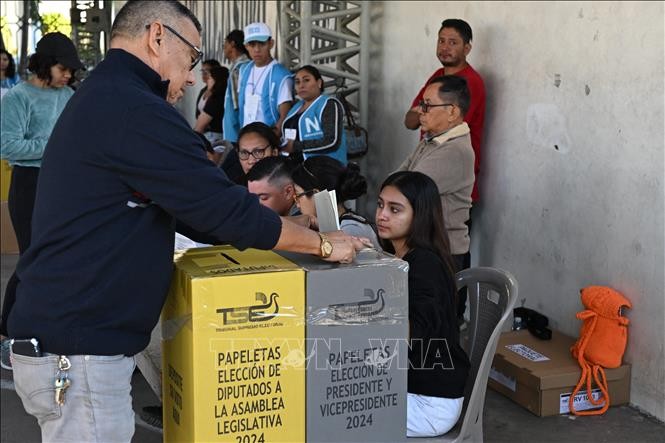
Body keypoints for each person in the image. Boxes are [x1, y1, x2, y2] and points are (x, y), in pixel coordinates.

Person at [6, 2, 366, 442]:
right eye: (192, 57)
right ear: (158, 37)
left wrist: (298, 232)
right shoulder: (132, 108)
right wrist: (324, 246)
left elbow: (195, 213)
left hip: (72, 339)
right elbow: (220, 208)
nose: (194, 75)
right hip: (79, 353)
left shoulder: (107, 96)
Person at [0, 32, 83, 371]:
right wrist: (55, 145)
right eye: (64, 69)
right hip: (29, 184)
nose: (68, 76)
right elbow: (8, 146)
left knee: (63, 257)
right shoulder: (18, 97)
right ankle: (9, 331)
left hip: (65, 184)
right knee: (33, 257)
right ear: (46, 64)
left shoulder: (69, 95)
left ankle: (48, 328)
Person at [375, 170, 470, 437]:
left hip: (429, 402)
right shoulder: (405, 259)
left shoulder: (424, 265)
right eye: (381, 204)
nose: (382, 215)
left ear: (420, 216)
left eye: (395, 210)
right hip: (411, 385)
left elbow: (412, 334)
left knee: (331, 413)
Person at [396, 75, 474, 325]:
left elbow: (403, 190)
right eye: (421, 104)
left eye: (428, 105)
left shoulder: (455, 151)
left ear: (452, 112)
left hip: (443, 253)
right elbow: (393, 182)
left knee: (433, 334)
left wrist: (397, 188)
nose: (420, 111)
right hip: (425, 247)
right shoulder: (430, 142)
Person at [403, 18, 485, 204]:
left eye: (453, 42)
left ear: (467, 48)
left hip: (451, 181)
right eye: (441, 41)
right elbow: (409, 121)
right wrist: (423, 113)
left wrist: (420, 111)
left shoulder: (471, 82)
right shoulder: (438, 77)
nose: (445, 47)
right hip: (426, 170)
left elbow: (442, 129)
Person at [291, 156, 381, 249]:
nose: (297, 205)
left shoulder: (349, 229)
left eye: (298, 196)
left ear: (317, 194)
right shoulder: (332, 226)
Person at [281, 65, 347, 164]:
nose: (301, 85)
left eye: (306, 80)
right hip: (296, 168)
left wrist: (295, 146)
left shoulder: (328, 104)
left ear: (319, 83)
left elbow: (332, 142)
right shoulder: (295, 108)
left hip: (326, 169)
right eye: (297, 82)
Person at [237, 22, 293, 137]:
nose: (257, 49)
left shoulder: (280, 75)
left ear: (271, 43)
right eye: (252, 44)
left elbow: (285, 115)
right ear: (246, 46)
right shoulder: (244, 70)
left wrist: (270, 140)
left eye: (262, 44)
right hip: (247, 138)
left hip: (267, 139)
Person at [222, 29, 250, 143]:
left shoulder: (240, 68)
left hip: (236, 132)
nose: (224, 47)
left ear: (232, 44)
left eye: (225, 43)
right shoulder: (244, 66)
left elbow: (237, 105)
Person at [193, 62, 229, 143]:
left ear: (215, 80)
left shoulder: (216, 98)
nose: (207, 80)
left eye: (209, 78)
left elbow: (200, 127)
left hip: (212, 138)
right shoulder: (223, 96)